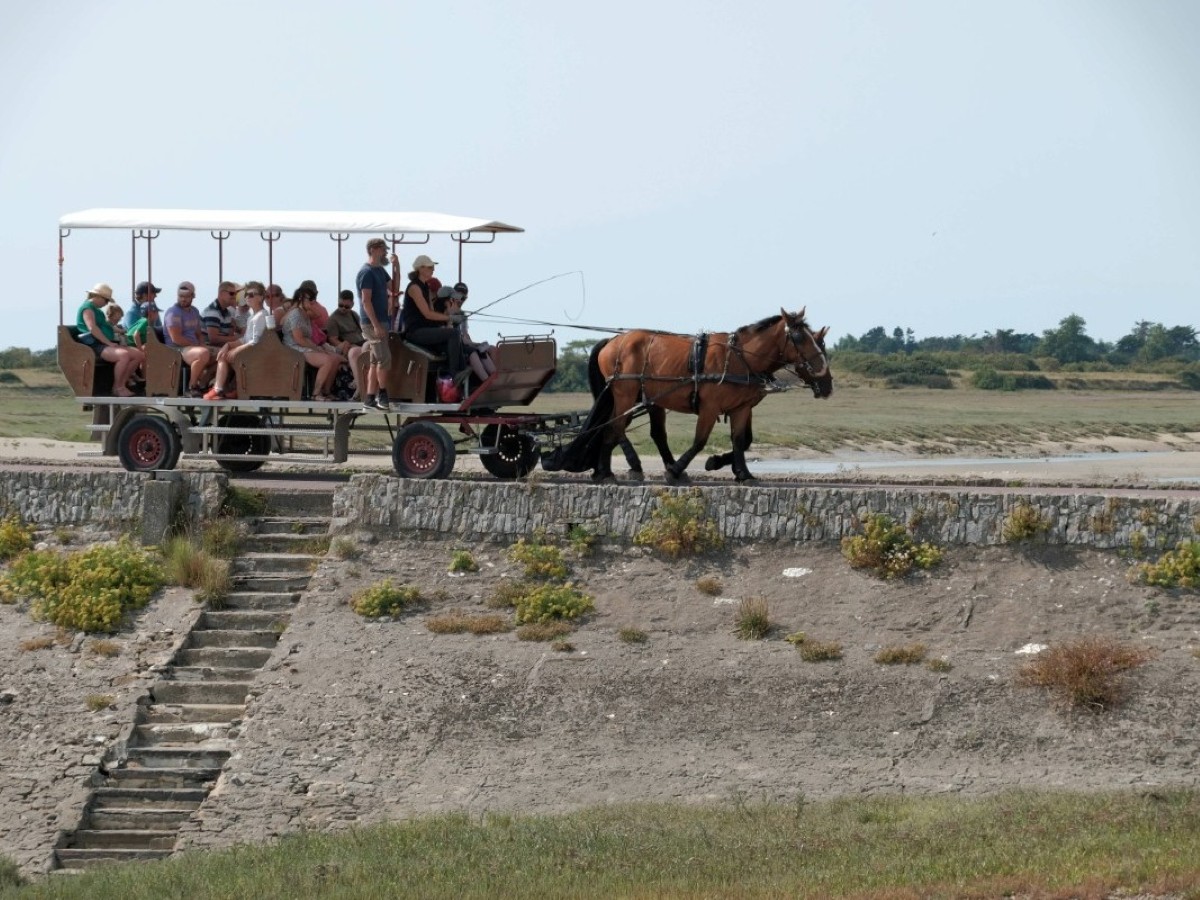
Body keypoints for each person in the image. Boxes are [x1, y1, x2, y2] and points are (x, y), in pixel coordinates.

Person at [401, 254, 466, 382]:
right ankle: (455, 374)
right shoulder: (414, 287)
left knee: (457, 343)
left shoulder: (425, 286)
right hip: (415, 332)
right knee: (453, 333)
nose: (433, 270)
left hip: (425, 329)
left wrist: (447, 317)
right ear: (421, 269)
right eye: (430, 267)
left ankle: (461, 372)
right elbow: (427, 313)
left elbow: (431, 311)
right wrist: (449, 319)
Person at [75, 283, 144, 397]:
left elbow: (105, 326)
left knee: (139, 355)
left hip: (105, 343)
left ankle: (122, 383)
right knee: (123, 355)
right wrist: (108, 343)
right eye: (106, 300)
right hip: (95, 345)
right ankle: (118, 387)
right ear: (97, 296)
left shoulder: (98, 311)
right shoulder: (87, 308)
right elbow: (92, 328)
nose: (106, 303)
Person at [204, 281, 270, 401]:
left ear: (260, 297)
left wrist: (236, 350)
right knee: (224, 354)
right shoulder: (253, 316)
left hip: (256, 354)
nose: (247, 298)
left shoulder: (261, 316)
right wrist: (228, 345)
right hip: (251, 352)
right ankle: (231, 388)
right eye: (246, 295)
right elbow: (245, 339)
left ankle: (218, 388)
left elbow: (255, 342)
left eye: (251, 295)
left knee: (224, 357)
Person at [356, 237, 398, 409]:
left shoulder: (380, 270)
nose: (385, 253)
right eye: (383, 249)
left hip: (382, 321)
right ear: (373, 249)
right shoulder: (366, 272)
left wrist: (397, 267)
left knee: (375, 360)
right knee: (384, 358)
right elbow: (366, 301)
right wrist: (376, 325)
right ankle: (382, 394)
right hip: (372, 323)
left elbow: (394, 289)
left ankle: (370, 398)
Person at [281, 283, 342, 402]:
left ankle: (326, 391)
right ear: (300, 299)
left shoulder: (305, 314)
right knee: (327, 360)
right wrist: (317, 348)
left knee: (335, 359)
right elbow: (298, 339)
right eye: (310, 299)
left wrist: (309, 305)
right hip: (294, 348)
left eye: (314, 298)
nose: (313, 301)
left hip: (303, 346)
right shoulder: (295, 315)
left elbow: (317, 315)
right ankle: (316, 393)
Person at [164, 281, 217, 396]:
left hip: (192, 347)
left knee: (221, 355)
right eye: (181, 296)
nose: (183, 299)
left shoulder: (194, 311)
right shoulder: (173, 313)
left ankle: (202, 384)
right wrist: (199, 347)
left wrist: (202, 344)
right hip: (176, 349)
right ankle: (191, 387)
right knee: (202, 353)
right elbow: (176, 339)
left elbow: (198, 333)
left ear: (193, 296)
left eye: (187, 297)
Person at [434, 282, 494, 380]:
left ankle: (494, 378)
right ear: (447, 301)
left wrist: (476, 344)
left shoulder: (459, 315)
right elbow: (450, 335)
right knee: (473, 353)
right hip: (449, 347)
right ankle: (486, 381)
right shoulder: (437, 316)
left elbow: (464, 336)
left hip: (461, 343)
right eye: (454, 299)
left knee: (481, 351)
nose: (459, 300)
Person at [325, 288, 366, 390]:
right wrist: (345, 345)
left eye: (346, 306)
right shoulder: (333, 319)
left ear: (352, 304)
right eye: (341, 305)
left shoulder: (354, 315)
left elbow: (362, 330)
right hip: (348, 345)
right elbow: (332, 339)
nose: (343, 308)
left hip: (361, 341)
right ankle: (359, 382)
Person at [202, 281, 243, 349]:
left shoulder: (228, 313)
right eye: (232, 294)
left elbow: (229, 337)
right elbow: (213, 340)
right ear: (221, 293)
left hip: (218, 347)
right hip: (207, 347)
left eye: (236, 294)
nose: (235, 297)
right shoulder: (213, 311)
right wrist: (239, 337)